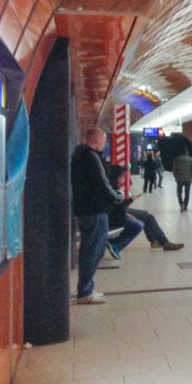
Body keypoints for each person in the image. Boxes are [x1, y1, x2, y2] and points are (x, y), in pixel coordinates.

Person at [70, 127, 124, 303]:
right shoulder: (92, 157)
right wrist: (118, 197)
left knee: (90, 249)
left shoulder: (79, 155)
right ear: (96, 140)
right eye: (103, 140)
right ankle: (85, 292)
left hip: (85, 209)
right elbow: (102, 182)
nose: (105, 143)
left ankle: (87, 288)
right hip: (95, 210)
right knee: (93, 251)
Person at [105, 165, 184, 253]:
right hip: (116, 214)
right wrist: (130, 200)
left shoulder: (111, 185)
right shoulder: (112, 189)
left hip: (117, 211)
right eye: (123, 176)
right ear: (117, 176)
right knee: (148, 217)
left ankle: (154, 241)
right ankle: (164, 243)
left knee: (146, 215)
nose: (124, 178)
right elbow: (116, 207)